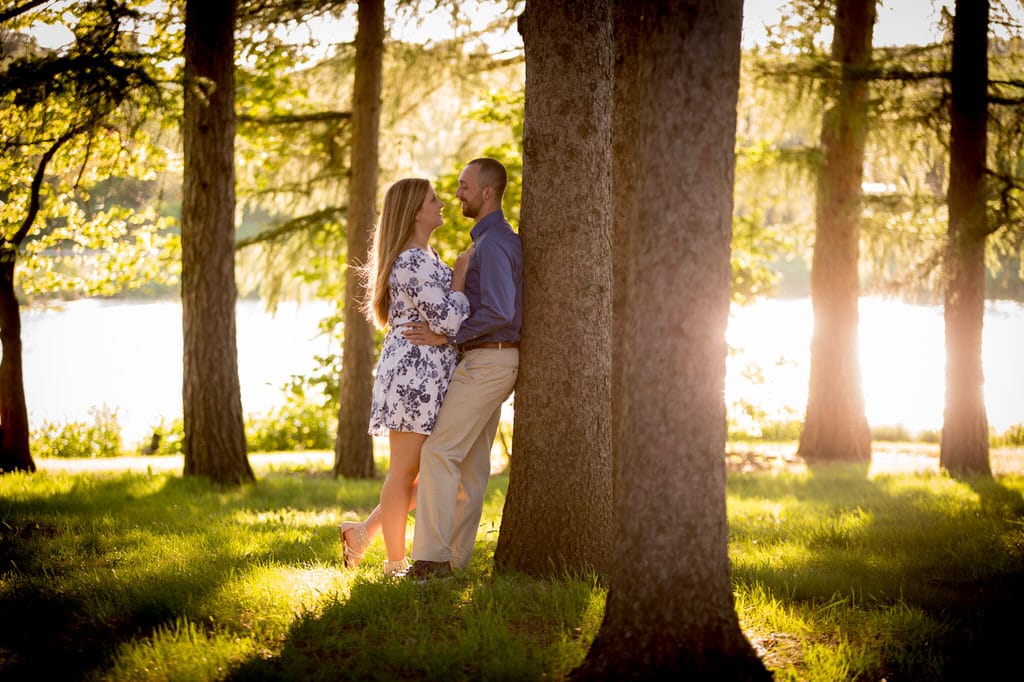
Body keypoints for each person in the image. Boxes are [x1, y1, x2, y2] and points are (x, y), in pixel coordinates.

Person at [338, 177, 474, 578]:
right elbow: (450, 316)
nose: (442, 202)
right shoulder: (411, 260)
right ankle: (394, 564)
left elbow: (445, 320)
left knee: (430, 469)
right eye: (434, 199)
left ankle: (361, 534)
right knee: (403, 473)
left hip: (429, 373)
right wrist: (461, 276)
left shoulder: (426, 256)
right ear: (416, 211)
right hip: (414, 375)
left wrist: (446, 322)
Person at [402, 157, 523, 580]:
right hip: (492, 359)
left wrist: (449, 336)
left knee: (438, 452)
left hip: (489, 359)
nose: (457, 194)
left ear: (487, 192)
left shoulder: (492, 244)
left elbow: (501, 310)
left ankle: (431, 560)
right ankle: (454, 561)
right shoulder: (491, 241)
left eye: (464, 186)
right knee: (470, 465)